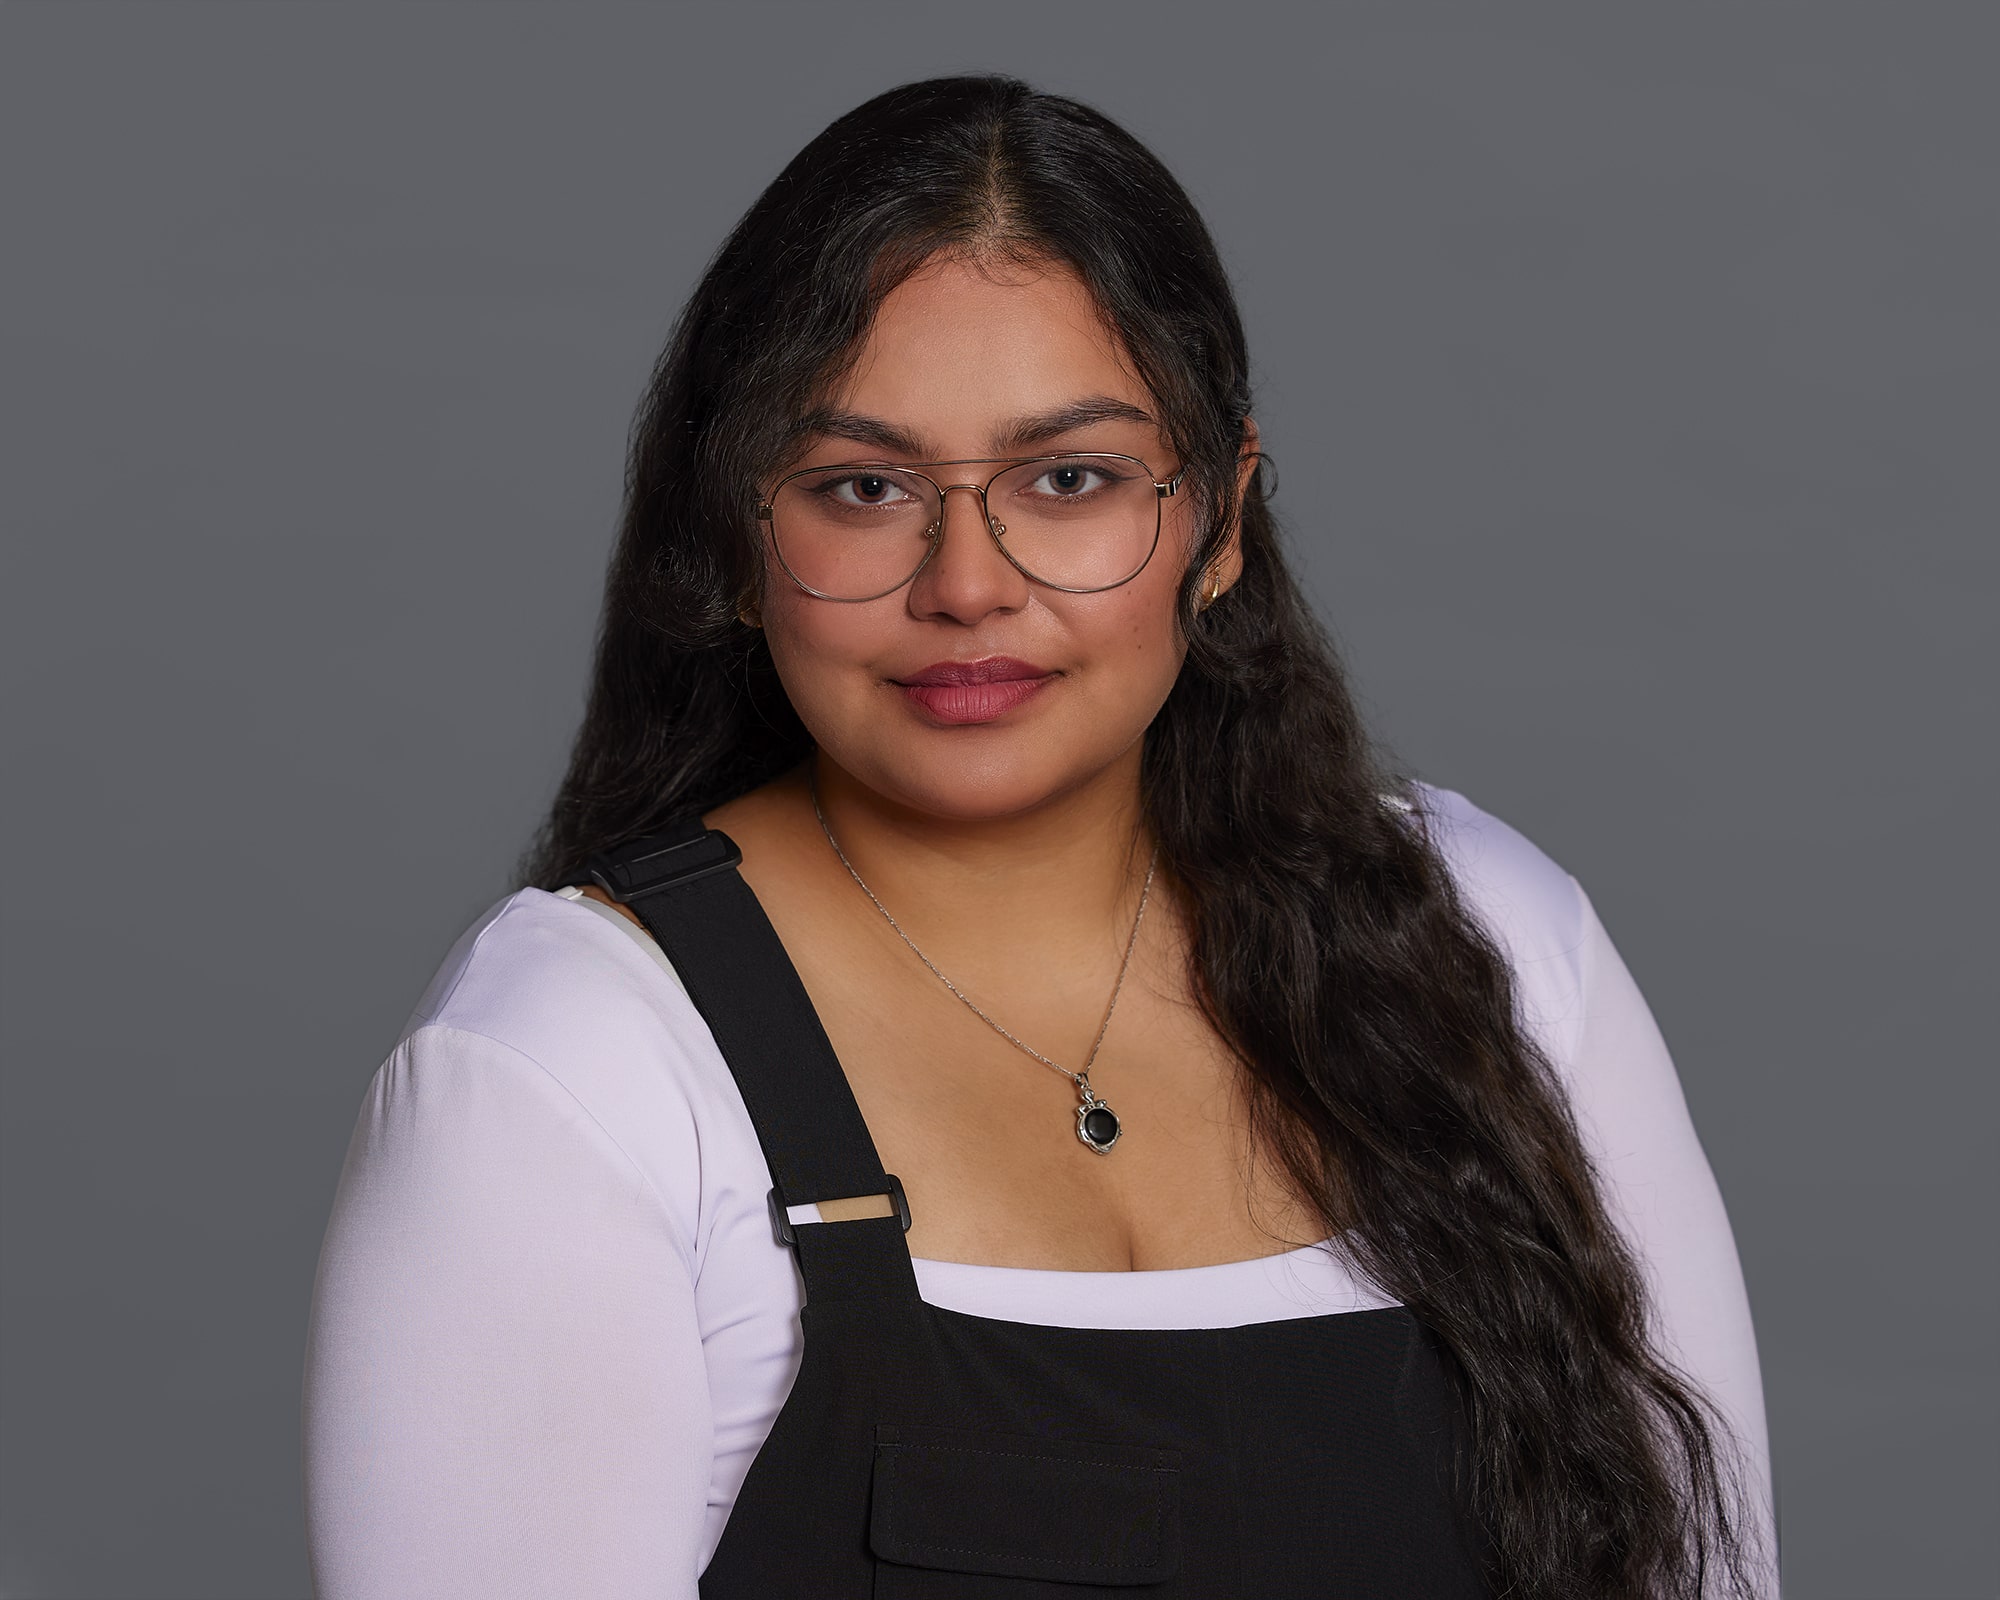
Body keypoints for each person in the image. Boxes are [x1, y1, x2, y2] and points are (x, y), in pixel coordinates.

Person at [301, 75, 1776, 1598]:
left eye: (1068, 480)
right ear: (737, 539)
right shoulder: (573, 1070)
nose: (968, 585)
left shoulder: (1497, 947)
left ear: (1220, 523)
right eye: (862, 487)